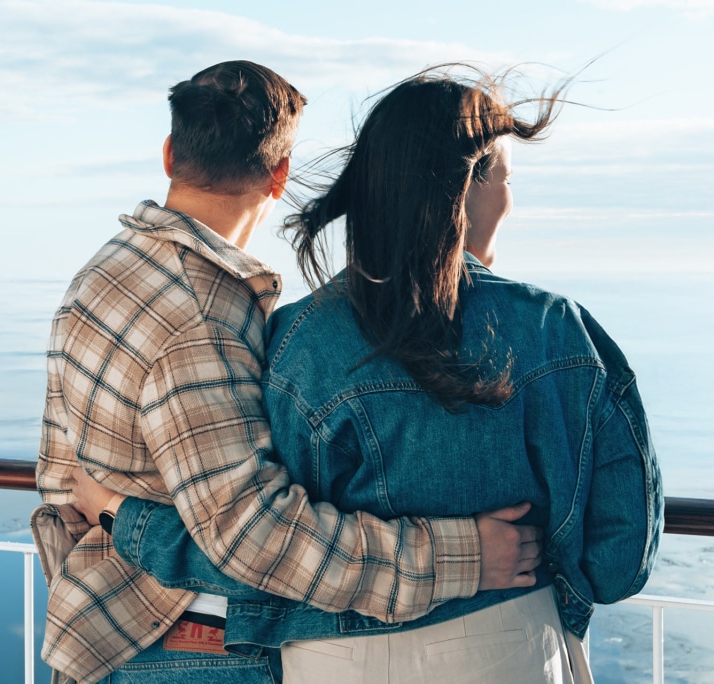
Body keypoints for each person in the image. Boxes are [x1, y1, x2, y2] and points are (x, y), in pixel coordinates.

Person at [73, 67, 664, 683]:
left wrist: (125, 515)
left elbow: (259, 544)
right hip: (507, 644)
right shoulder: (553, 329)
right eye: (506, 179)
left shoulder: (293, 341)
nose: (510, 201)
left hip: (329, 661)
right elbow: (618, 559)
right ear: (472, 183)